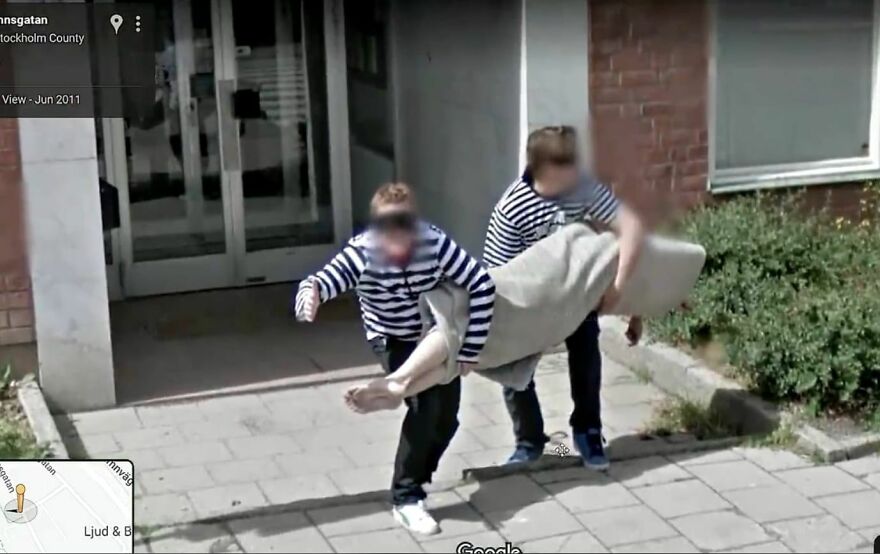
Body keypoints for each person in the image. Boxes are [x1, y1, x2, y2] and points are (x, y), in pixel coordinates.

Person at [293, 182, 495, 535]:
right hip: (390, 337)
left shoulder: (434, 242)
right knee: (426, 408)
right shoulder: (364, 252)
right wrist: (310, 298)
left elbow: (481, 283)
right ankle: (406, 498)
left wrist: (471, 346)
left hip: (435, 336)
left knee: (448, 420)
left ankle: (416, 468)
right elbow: (322, 280)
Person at [483, 125, 645, 470]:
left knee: (586, 353)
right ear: (542, 170)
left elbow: (631, 227)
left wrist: (621, 293)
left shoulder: (583, 188)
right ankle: (530, 441)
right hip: (527, 300)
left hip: (576, 292)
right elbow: (497, 277)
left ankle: (587, 433)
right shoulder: (511, 210)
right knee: (513, 368)